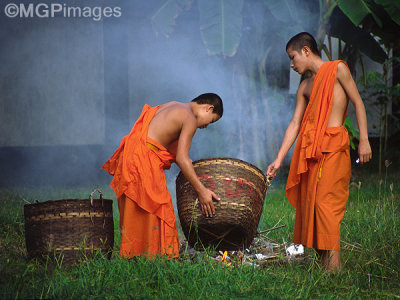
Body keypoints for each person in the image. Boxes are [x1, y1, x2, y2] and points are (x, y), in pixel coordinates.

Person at [266, 32, 372, 272]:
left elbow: (358, 102)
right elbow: (295, 124)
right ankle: (325, 267)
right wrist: (279, 158)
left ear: (306, 50)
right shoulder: (305, 86)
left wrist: (364, 139)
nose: (292, 65)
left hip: (333, 146)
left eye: (293, 58)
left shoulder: (337, 70)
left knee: (326, 204)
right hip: (311, 152)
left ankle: (335, 269)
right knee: (311, 205)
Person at [102, 93, 223, 258]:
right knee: (160, 209)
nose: (206, 126)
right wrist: (202, 191)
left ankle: (136, 254)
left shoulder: (173, 104)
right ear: (209, 108)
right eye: (212, 120)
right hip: (143, 159)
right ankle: (159, 256)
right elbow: (182, 158)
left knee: (137, 209)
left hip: (131, 153)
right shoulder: (190, 119)